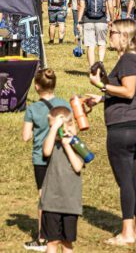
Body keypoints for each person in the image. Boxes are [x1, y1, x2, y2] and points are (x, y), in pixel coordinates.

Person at [82, 20, 136, 246]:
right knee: (131, 178)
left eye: (112, 32)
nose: (108, 36)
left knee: (125, 181)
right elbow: (125, 91)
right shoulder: (131, 59)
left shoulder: (129, 59)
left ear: (124, 35)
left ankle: (127, 233)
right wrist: (100, 98)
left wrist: (101, 86)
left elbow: (129, 91)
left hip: (125, 128)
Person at [21, 68, 70, 251]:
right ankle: (63, 232)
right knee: (60, 193)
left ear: (36, 87)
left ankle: (43, 237)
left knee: (43, 196)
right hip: (61, 155)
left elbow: (26, 136)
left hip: (41, 157)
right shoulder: (64, 104)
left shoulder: (33, 108)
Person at [39, 106, 84, 253]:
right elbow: (46, 151)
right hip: (51, 201)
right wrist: (53, 130)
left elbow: (77, 166)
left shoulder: (78, 145)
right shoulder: (52, 145)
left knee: (67, 243)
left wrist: (67, 146)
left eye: (55, 126)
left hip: (70, 202)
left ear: (70, 125)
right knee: (52, 242)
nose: (53, 129)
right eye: (51, 127)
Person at [77, 0, 113, 68]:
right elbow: (110, 5)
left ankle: (92, 67)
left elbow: (82, 6)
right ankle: (100, 62)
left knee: (90, 45)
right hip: (101, 19)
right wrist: (112, 19)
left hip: (88, 19)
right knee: (101, 42)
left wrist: (79, 21)